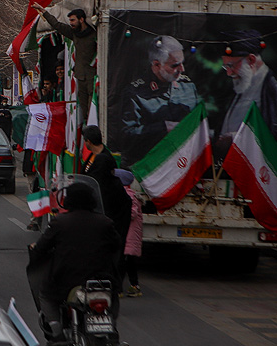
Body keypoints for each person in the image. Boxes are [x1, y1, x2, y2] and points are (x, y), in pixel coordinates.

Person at [28, 181, 121, 343]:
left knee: (45, 294)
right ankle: (110, 323)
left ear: (68, 200)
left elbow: (41, 247)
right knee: (113, 295)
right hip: (101, 279)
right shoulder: (105, 222)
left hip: (66, 281)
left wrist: (35, 251)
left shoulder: (60, 222)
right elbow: (117, 246)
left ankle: (56, 329)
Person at [120, 36, 200, 168]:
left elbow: (199, 125)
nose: (182, 69)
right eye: (174, 65)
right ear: (157, 65)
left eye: (182, 63)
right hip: (150, 166)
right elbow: (127, 135)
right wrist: (163, 128)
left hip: (184, 165)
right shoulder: (136, 93)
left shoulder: (188, 87)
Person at [216, 29, 277, 161]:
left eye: (231, 66)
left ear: (251, 59)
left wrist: (236, 138)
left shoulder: (272, 87)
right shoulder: (240, 84)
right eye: (225, 67)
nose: (229, 73)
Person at [33, 3, 97, 122]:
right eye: (70, 21)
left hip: (92, 77)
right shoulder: (74, 33)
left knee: (93, 107)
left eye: (73, 20)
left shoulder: (94, 34)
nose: (71, 23)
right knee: (85, 111)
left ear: (81, 19)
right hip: (80, 76)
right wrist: (43, 11)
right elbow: (57, 25)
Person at [82, 125, 132, 251]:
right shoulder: (94, 156)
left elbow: (99, 183)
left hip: (104, 208)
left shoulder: (103, 159)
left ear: (88, 141)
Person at [115, 169, 143, 297]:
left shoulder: (128, 195)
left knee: (122, 261)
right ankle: (134, 285)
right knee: (129, 262)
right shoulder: (128, 193)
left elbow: (132, 213)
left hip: (128, 234)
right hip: (130, 234)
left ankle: (119, 288)